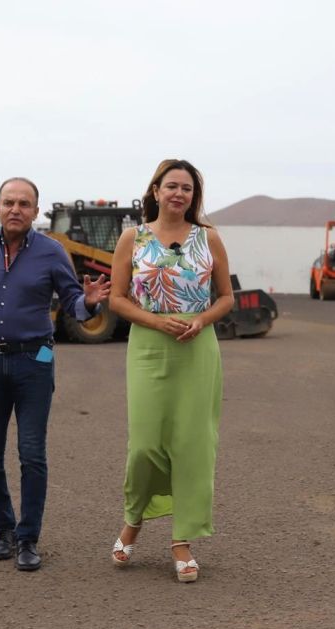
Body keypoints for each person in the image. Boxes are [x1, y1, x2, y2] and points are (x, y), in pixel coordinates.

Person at [0, 177, 110, 571]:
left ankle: (27, 538)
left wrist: (87, 303)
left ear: (36, 212)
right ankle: (3, 529)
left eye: (24, 203)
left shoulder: (52, 251)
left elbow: (73, 301)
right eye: (9, 202)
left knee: (32, 454)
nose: (15, 209)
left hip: (34, 362)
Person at [107, 159, 233, 583]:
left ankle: (182, 540)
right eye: (171, 186)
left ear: (193, 197)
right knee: (144, 444)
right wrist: (156, 321)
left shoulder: (209, 238)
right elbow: (118, 299)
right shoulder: (132, 238)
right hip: (148, 345)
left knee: (193, 444)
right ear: (156, 191)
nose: (179, 194)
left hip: (197, 350)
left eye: (187, 189)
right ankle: (133, 520)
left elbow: (227, 298)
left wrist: (202, 320)